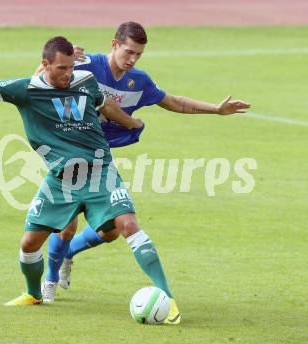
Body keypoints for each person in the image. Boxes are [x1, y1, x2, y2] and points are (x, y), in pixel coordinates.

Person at [0, 37, 175, 314]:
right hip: (60, 177)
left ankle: (168, 297)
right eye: (61, 68)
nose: (68, 74)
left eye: (71, 67)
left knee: (128, 225)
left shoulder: (86, 81)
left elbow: (106, 106)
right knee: (29, 244)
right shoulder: (26, 90)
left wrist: (132, 123)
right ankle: (33, 294)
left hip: (100, 170)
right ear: (44, 64)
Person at [42, 22, 250, 324]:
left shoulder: (138, 82)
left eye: (139, 54)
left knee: (112, 230)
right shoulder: (85, 65)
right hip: (68, 154)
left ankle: (69, 254)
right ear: (114, 44)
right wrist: (61, 60)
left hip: (101, 160)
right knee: (67, 225)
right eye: (128, 52)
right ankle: (49, 280)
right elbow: (39, 80)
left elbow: (173, 102)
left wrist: (215, 110)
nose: (133, 60)